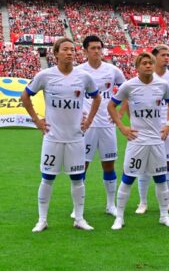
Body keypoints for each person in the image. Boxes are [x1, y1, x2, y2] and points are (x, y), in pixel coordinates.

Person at [21, 37, 101, 232]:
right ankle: (42, 220)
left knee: (77, 178)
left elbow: (97, 98)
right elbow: (25, 96)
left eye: (72, 50)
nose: (69, 53)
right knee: (47, 178)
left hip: (75, 138)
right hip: (52, 137)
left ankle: (79, 218)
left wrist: (88, 120)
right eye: (65, 49)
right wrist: (37, 121)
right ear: (56, 53)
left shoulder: (83, 77)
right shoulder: (45, 75)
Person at [108, 52, 169, 230]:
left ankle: (164, 215)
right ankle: (120, 217)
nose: (148, 66)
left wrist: (168, 124)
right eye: (144, 63)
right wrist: (122, 127)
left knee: (161, 179)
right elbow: (111, 106)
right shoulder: (128, 86)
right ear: (137, 67)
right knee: (128, 178)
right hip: (137, 141)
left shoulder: (163, 85)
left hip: (156, 141)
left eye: (150, 63)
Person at [74, 35, 126, 218]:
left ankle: (110, 205)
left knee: (109, 165)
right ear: (85, 50)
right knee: (81, 166)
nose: (97, 51)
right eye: (93, 48)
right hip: (86, 126)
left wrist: (119, 114)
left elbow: (127, 91)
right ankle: (77, 207)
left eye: (99, 48)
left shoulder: (112, 70)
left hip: (107, 125)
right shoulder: (78, 71)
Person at [135, 45, 169, 215]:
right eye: (163, 55)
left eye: (168, 55)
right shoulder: (145, 76)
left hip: (167, 128)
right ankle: (142, 202)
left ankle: (168, 201)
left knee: (168, 164)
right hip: (146, 128)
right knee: (143, 164)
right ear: (154, 57)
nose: (167, 58)